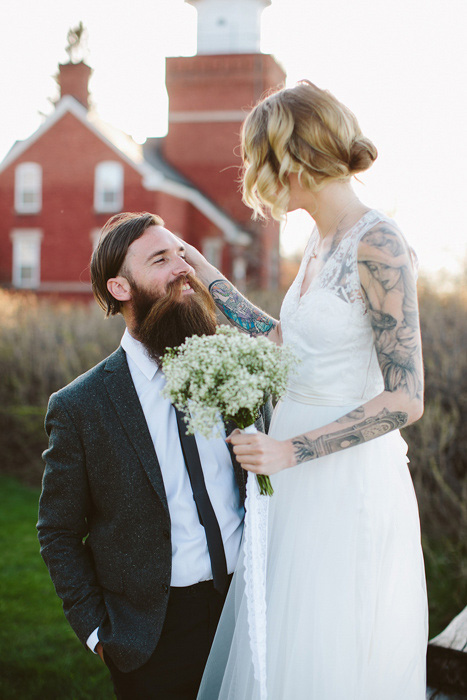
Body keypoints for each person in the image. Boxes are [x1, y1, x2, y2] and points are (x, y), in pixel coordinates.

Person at [184, 81, 428, 699]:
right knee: (282, 651)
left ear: (291, 156)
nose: (255, 174)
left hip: (343, 485)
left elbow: (406, 398)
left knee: (330, 651)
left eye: (259, 156)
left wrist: (291, 452)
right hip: (292, 479)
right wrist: (204, 275)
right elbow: (287, 340)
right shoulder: (320, 241)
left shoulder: (378, 244)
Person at [37, 212, 272, 700]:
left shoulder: (233, 367)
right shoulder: (81, 406)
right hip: (152, 634)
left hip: (247, 608)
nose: (181, 268)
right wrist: (99, 633)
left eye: (182, 255)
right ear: (120, 287)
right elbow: (57, 530)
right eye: (161, 259)